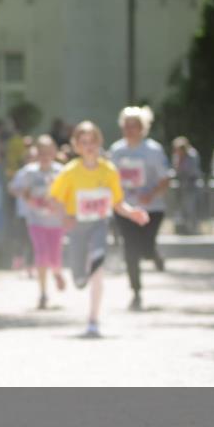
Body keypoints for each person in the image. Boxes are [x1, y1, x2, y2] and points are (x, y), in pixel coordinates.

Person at [49, 122, 149, 336]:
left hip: (99, 224)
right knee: (78, 279)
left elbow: (118, 203)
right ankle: (81, 275)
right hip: (77, 225)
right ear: (76, 146)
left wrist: (133, 213)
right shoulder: (69, 172)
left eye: (93, 141)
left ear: (99, 143)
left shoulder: (109, 170)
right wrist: (63, 217)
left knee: (97, 267)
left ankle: (93, 319)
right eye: (84, 142)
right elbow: (54, 200)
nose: (89, 146)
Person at [108, 105, 169, 311]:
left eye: (134, 125)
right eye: (126, 125)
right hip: (125, 209)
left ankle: (154, 254)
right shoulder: (117, 150)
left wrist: (150, 194)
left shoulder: (153, 150)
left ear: (143, 128)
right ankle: (136, 292)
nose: (130, 129)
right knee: (130, 249)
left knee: (145, 248)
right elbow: (109, 178)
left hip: (152, 208)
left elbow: (165, 179)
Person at [10, 135, 65, 309]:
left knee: (54, 257)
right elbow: (17, 190)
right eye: (41, 153)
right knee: (41, 255)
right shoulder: (29, 172)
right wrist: (30, 199)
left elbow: (68, 194)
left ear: (54, 153)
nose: (45, 156)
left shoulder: (61, 171)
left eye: (48, 152)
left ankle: (56, 272)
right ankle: (43, 294)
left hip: (56, 222)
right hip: (35, 221)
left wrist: (56, 204)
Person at [171, 136, 202, 235]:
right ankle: (183, 229)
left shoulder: (192, 155)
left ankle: (193, 229)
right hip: (181, 185)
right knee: (182, 208)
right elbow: (176, 170)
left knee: (191, 208)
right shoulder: (177, 156)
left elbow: (192, 171)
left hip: (191, 185)